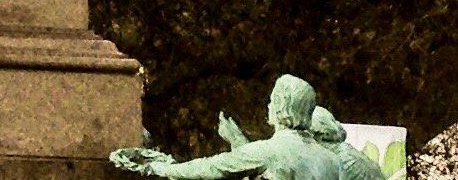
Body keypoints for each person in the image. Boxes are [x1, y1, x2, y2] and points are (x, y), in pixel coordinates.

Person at [112, 75, 342, 180]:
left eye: (272, 100)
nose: (269, 105)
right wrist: (237, 140)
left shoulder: (271, 150)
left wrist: (158, 167)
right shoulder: (330, 160)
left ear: (281, 106)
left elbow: (211, 169)